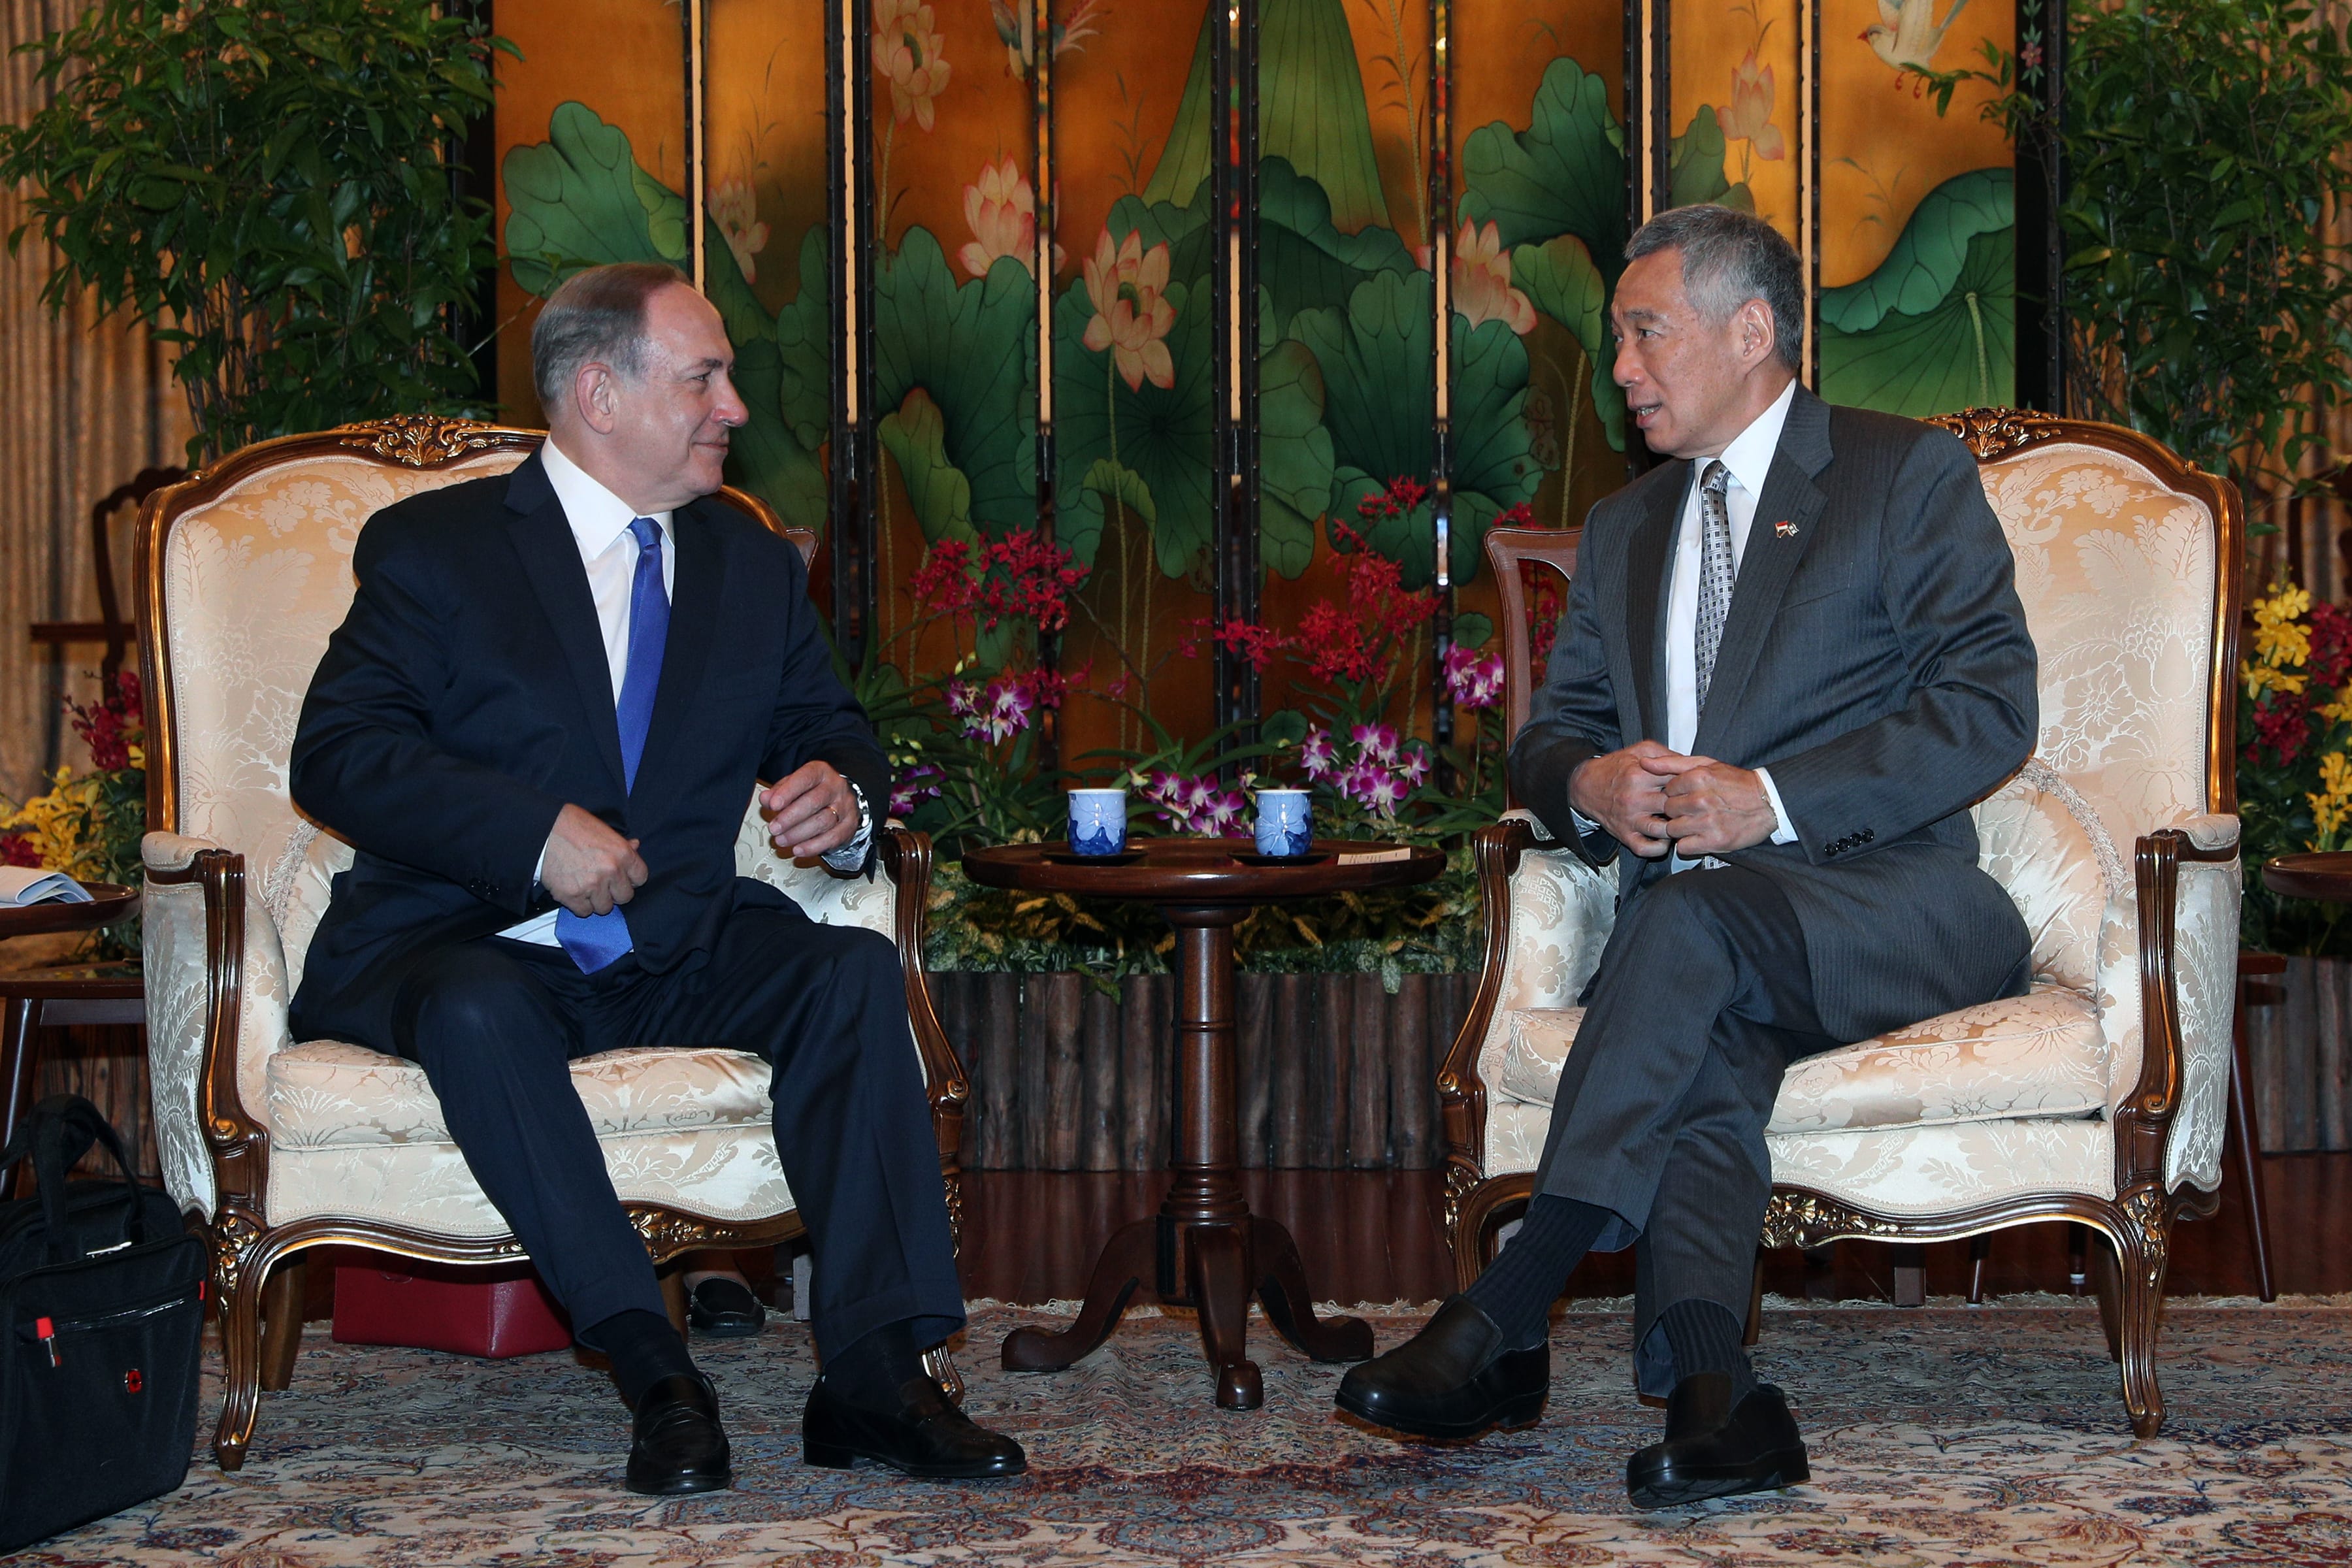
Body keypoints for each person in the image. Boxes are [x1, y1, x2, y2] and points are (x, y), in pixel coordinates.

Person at [1335, 204, 2036, 1507]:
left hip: (1899, 901)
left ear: (1752, 329)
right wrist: (1589, 781)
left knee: (1690, 931)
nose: (1621, 369)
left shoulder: (1901, 477)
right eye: (1618, 343)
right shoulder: (1628, 527)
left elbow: (1990, 708)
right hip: (1704, 939)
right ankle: (1721, 1400)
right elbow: (1552, 741)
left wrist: (1768, 801)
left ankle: (1513, 1302)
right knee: (1701, 1025)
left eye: (1646, 333)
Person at [287, 262, 1024, 1495]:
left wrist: (843, 799)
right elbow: (341, 752)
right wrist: (534, 835)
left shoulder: (744, 564)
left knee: (847, 972)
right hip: (472, 941)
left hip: (671, 940)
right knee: (475, 1007)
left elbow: (831, 727)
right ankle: (654, 1369)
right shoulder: (440, 550)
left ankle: (877, 1377)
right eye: (704, 378)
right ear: (599, 394)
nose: (734, 406)